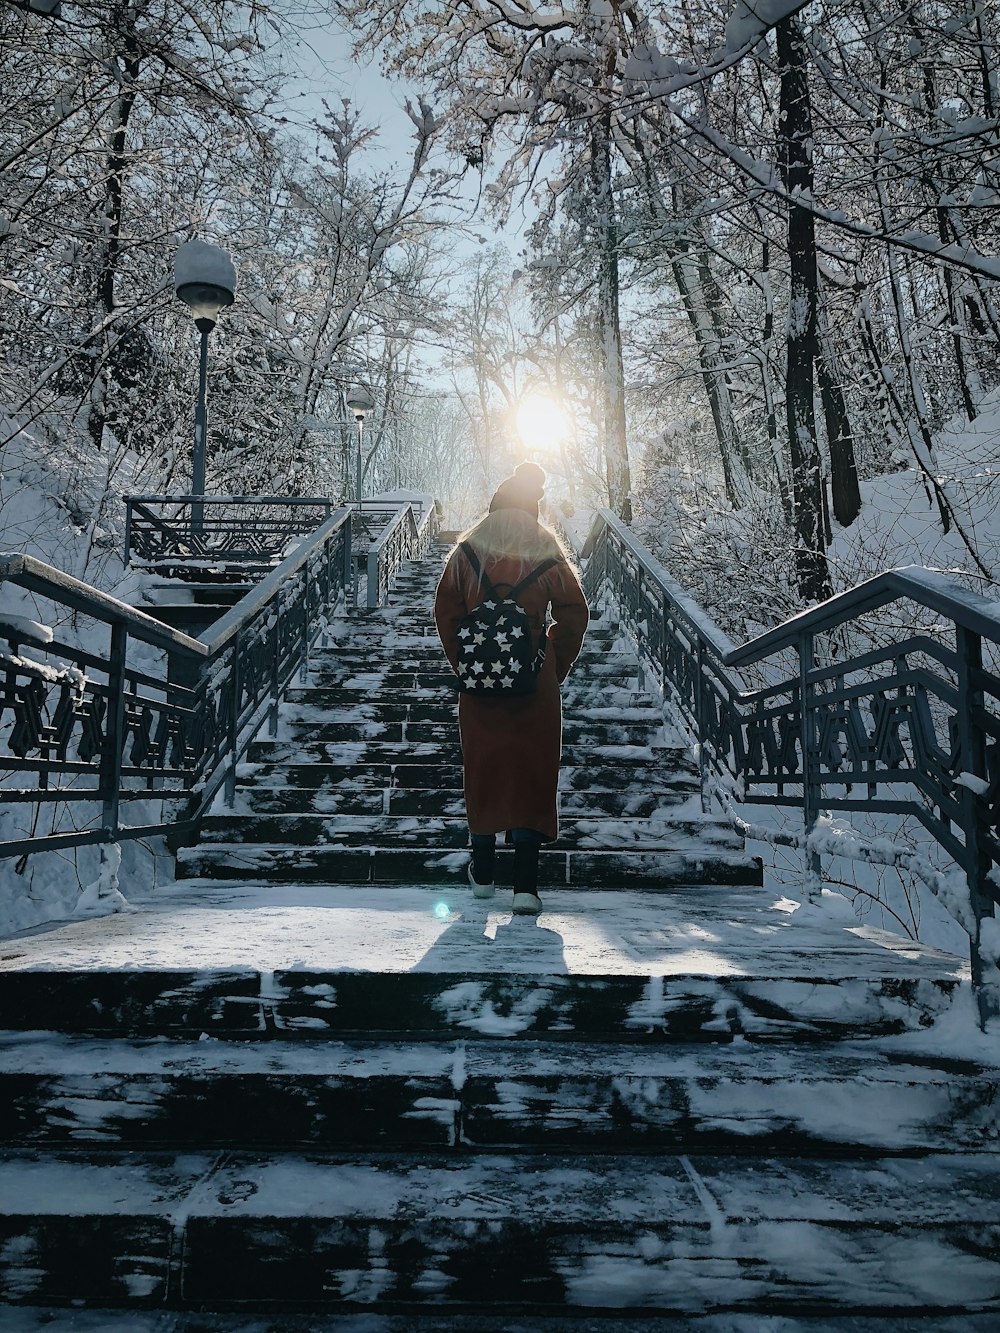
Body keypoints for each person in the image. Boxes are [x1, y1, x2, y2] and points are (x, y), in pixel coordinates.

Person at [433, 462, 589, 914]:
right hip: (534, 686)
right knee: (531, 777)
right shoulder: (544, 548)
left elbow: (446, 613)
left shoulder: (467, 550)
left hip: (479, 687)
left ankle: (483, 875)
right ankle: (525, 887)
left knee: (483, 773)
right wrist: (551, 663)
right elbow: (574, 612)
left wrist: (467, 663)